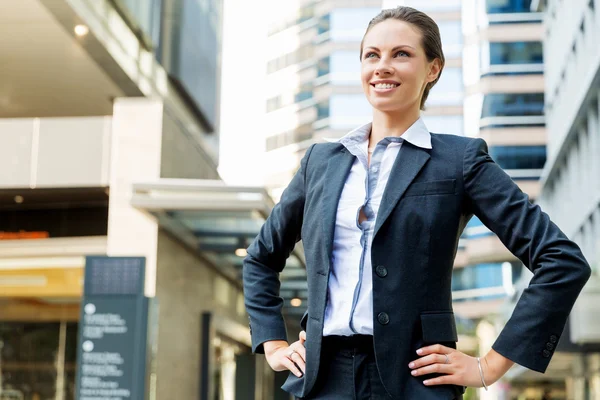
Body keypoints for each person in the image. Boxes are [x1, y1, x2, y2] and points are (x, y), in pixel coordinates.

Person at [243, 6, 591, 400]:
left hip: (417, 381)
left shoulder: (459, 160)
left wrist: (489, 365)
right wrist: (272, 343)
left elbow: (561, 260)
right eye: (372, 55)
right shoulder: (320, 162)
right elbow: (260, 258)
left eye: (401, 54)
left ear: (433, 70)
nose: (382, 66)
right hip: (323, 379)